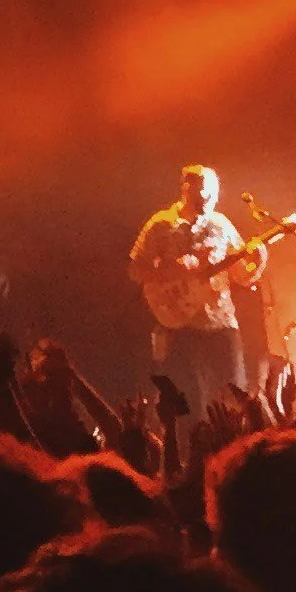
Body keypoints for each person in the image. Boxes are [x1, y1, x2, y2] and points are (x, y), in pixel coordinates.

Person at [127, 164, 254, 415]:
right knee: (185, 405)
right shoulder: (161, 224)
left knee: (234, 397)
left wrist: (258, 261)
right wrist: (172, 272)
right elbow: (135, 270)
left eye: (213, 194)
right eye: (203, 193)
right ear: (187, 190)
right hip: (178, 324)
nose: (209, 199)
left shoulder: (221, 225)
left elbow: (242, 275)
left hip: (221, 323)